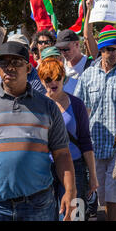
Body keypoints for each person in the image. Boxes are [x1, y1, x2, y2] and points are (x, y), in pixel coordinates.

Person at [0, 41, 76, 221]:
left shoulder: (48, 107)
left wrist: (70, 191)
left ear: (28, 68)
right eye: (3, 64)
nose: (9, 68)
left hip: (39, 204)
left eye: (16, 63)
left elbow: (61, 154)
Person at [74, 25, 116, 221]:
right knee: (103, 199)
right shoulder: (88, 75)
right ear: (101, 49)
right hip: (95, 146)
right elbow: (79, 108)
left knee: (114, 197)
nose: (114, 53)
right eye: (109, 49)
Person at [38, 58, 99, 220]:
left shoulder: (77, 104)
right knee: (47, 216)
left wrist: (92, 176)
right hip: (44, 170)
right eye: (48, 79)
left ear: (63, 77)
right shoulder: (36, 105)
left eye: (58, 77)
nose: (54, 82)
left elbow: (86, 141)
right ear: (41, 80)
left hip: (75, 168)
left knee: (74, 216)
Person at [55, 29, 95, 95]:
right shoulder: (60, 66)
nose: (63, 53)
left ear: (77, 44)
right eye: (60, 50)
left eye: (66, 49)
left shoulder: (90, 66)